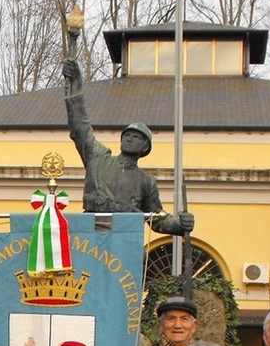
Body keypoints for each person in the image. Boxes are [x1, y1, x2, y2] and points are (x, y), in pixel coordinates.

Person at [60, 58, 193, 236]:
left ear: (145, 147)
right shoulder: (98, 159)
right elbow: (80, 126)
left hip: (124, 241)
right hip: (89, 236)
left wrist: (179, 223)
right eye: (127, 135)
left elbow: (156, 218)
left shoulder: (146, 182)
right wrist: (75, 85)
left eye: (136, 137)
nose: (129, 139)